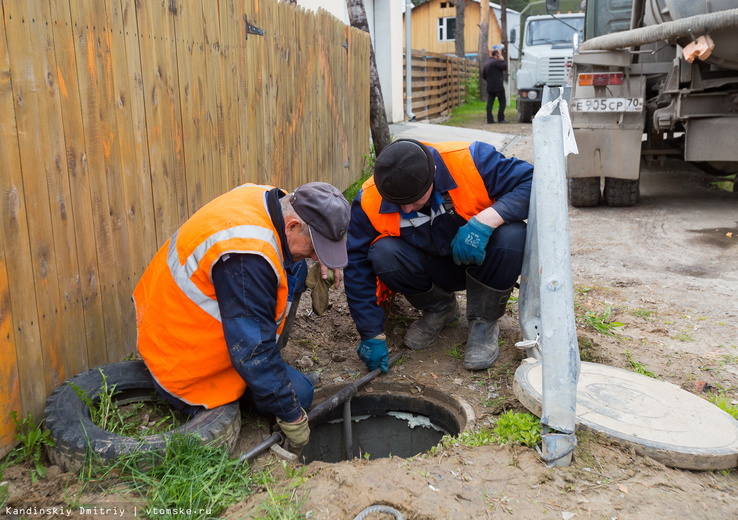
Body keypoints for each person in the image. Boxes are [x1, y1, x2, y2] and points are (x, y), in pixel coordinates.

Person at [133, 182, 350, 455]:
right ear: (293, 225)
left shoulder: (273, 201)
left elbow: (292, 245)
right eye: (316, 247)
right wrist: (292, 415)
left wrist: (322, 255)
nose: (316, 256)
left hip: (173, 316)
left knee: (294, 265)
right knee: (301, 394)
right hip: (181, 353)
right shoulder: (248, 258)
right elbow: (253, 352)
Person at [344, 139, 532, 372]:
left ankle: (484, 321)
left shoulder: (471, 160)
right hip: (431, 269)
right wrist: (369, 332)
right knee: (383, 253)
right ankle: (440, 308)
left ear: (433, 174)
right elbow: (356, 266)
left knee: (512, 235)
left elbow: (533, 182)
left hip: (482, 261)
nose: (405, 210)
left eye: (413, 200)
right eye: (397, 203)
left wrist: (486, 221)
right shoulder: (369, 200)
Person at [482, 49, 508, 124]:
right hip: (498, 86)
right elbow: (505, 67)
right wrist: (502, 60)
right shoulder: (496, 62)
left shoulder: (487, 63)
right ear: (497, 55)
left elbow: (483, 75)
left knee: (490, 103)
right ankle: (501, 119)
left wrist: (490, 81)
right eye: (499, 55)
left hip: (490, 86)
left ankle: (489, 119)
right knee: (502, 102)